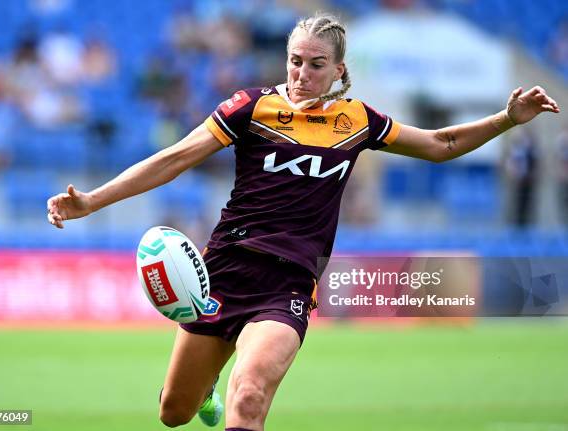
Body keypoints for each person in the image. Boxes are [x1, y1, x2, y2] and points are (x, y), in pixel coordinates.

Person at [46, 13, 560, 431]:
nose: (302, 73)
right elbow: (175, 158)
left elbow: (440, 144)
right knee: (173, 413)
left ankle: (224, 395)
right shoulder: (251, 107)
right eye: (295, 61)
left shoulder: (357, 120)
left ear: (338, 70)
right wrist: (92, 200)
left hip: (289, 281)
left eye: (316, 64)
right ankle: (203, 394)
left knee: (248, 398)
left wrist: (506, 120)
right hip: (221, 272)